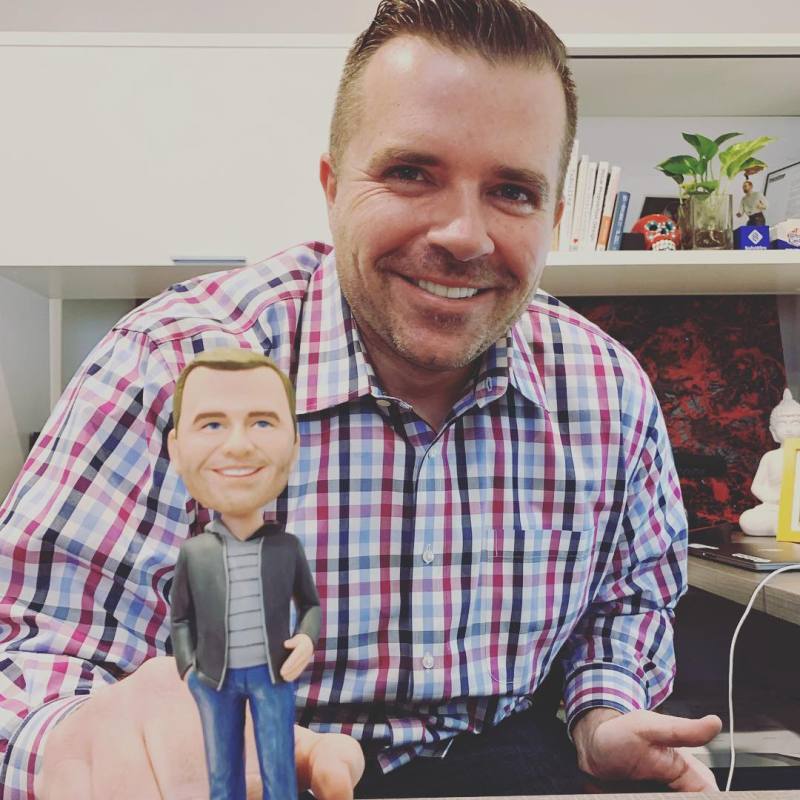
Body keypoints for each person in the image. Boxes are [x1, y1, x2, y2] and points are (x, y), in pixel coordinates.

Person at [0, 1, 722, 798]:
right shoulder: (171, 366)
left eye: (513, 190)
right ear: (333, 185)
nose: (463, 235)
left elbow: (628, 601)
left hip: (508, 765)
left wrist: (603, 713)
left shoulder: (608, 393)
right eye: (412, 173)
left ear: (552, 216)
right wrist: (78, 746)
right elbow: (32, 656)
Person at [168, 348, 323, 799]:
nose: (237, 445)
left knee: (279, 768)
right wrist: (188, 669)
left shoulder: (286, 548)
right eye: (213, 424)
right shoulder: (195, 553)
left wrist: (306, 639)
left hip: (274, 675)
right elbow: (181, 618)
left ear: (294, 445)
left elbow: (309, 605)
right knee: (223, 773)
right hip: (214, 679)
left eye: (262, 423)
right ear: (176, 449)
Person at [739, 388, 800, 537]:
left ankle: (788, 526)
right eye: (783, 424)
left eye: (795, 423)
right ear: (773, 432)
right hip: (776, 508)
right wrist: (774, 498)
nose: (789, 429)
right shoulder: (770, 457)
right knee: (746, 519)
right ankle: (781, 527)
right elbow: (756, 486)